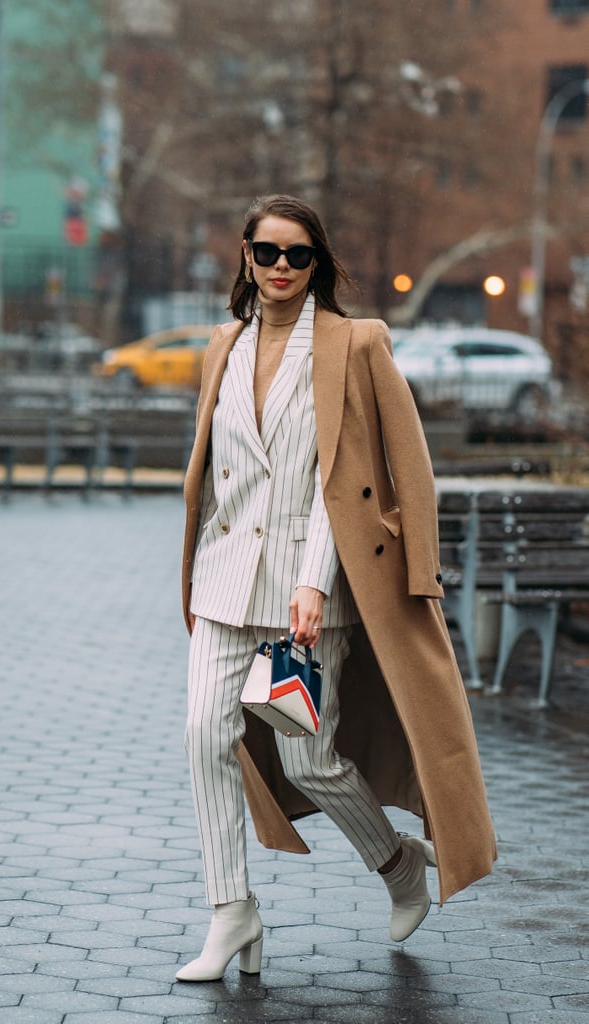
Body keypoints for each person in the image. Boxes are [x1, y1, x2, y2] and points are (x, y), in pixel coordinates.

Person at [177, 194, 496, 983]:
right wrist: (189, 569)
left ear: (318, 264)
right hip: (224, 580)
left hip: (308, 587)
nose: (280, 268)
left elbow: (347, 478)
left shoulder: (353, 345)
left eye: (297, 255)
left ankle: (396, 864)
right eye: (266, 252)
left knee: (309, 761)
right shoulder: (223, 345)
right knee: (203, 739)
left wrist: (316, 583)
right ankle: (231, 913)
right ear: (244, 258)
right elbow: (216, 477)